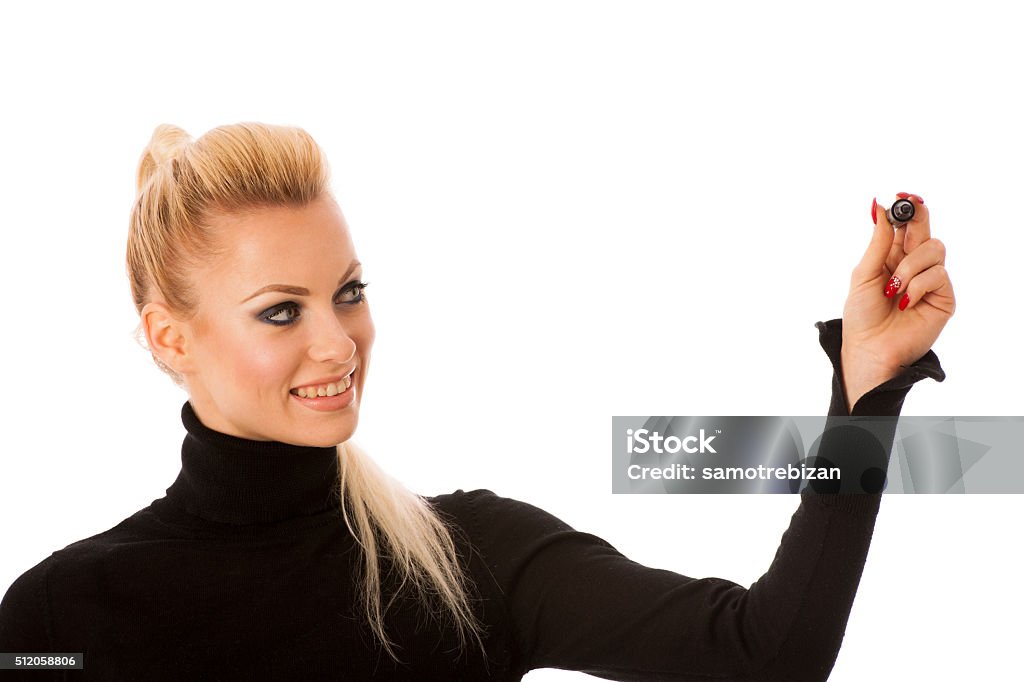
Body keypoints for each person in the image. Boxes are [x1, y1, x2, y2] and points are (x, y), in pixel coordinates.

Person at [0, 122, 954, 681]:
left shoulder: (472, 559)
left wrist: (863, 394)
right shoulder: (57, 618)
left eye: (349, 292)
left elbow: (766, 656)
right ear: (170, 336)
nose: (337, 342)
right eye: (280, 311)